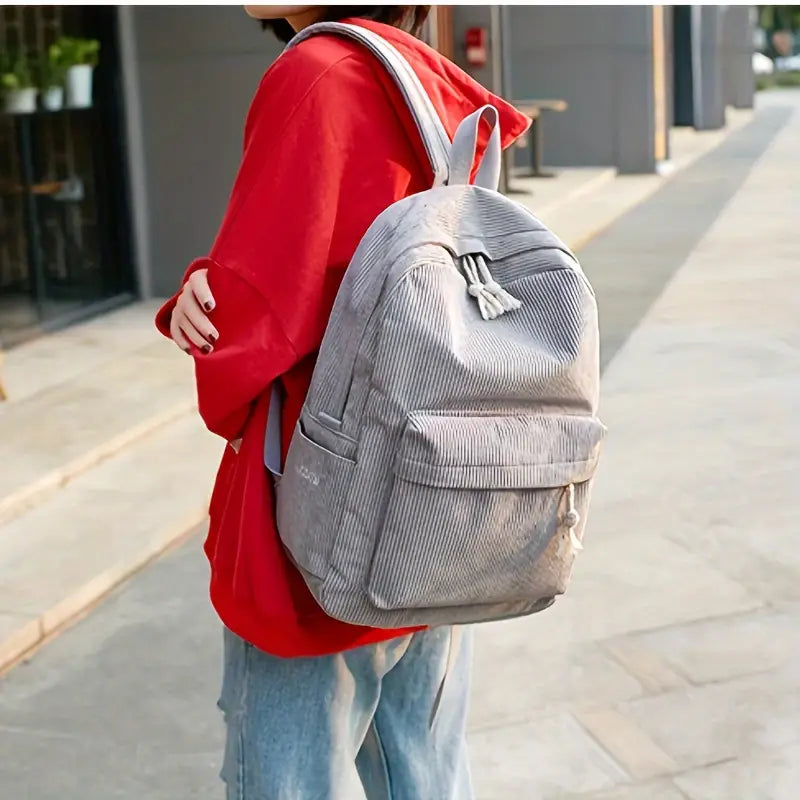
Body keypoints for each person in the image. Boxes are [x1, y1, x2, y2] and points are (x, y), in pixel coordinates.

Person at [155, 6, 529, 798]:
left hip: (321, 533)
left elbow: (257, 322)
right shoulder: (426, 86)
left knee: (287, 782)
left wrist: (202, 299)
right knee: (425, 776)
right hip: (434, 510)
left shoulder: (314, 72)